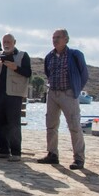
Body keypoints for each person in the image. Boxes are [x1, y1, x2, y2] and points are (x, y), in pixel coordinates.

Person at [37, 29, 88, 170]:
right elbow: (48, 73)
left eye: (58, 37)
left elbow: (84, 74)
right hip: (53, 93)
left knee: (74, 125)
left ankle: (78, 158)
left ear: (66, 39)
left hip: (68, 94)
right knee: (51, 124)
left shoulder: (75, 55)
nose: (55, 40)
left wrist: (75, 90)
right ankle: (52, 154)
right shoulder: (49, 56)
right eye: (53, 37)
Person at [0, 34, 32, 161]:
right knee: (0, 122)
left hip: (14, 94)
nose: (6, 43)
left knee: (14, 124)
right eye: (4, 41)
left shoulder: (22, 55)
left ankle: (16, 152)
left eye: (9, 41)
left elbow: (28, 73)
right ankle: (3, 150)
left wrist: (16, 68)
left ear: (14, 42)